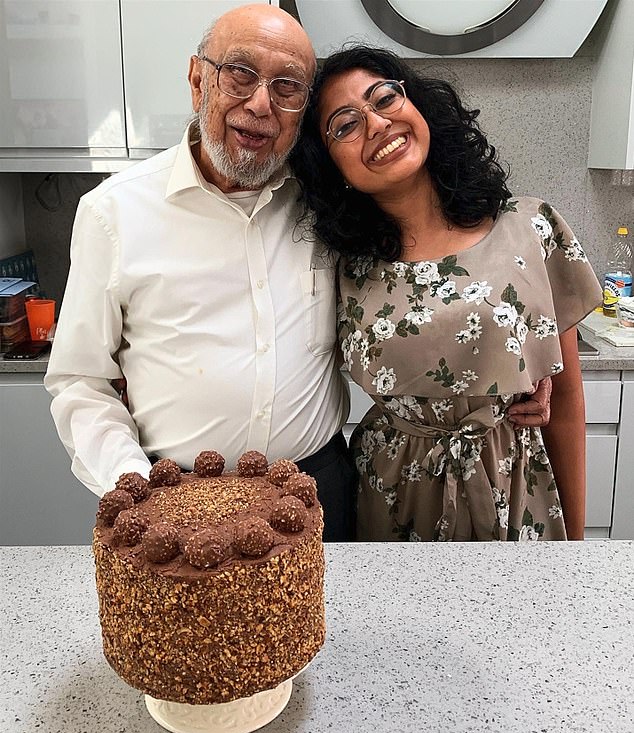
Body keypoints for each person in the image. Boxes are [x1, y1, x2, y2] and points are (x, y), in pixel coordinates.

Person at [44, 7, 547, 543]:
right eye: (240, 72)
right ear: (197, 80)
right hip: (174, 496)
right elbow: (81, 380)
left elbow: (423, 290)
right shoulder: (113, 213)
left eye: (287, 86)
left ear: (301, 109)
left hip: (318, 485)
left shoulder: (330, 202)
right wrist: (136, 487)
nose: (260, 103)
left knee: (330, 629)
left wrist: (513, 363)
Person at [290, 46, 602, 542]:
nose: (375, 123)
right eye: (345, 125)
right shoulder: (336, 263)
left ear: (418, 106)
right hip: (390, 497)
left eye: (384, 98)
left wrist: (579, 549)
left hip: (513, 484)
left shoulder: (530, 227)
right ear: (330, 165)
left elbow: (564, 398)